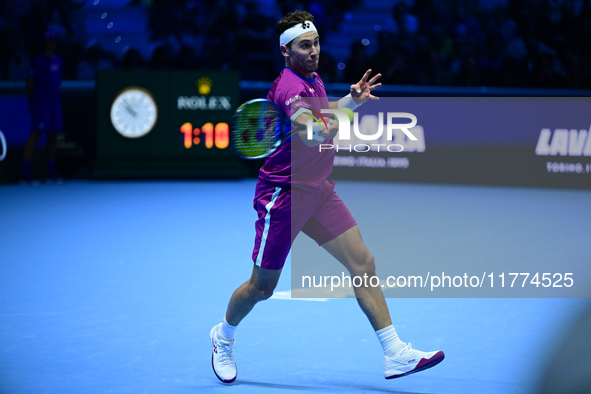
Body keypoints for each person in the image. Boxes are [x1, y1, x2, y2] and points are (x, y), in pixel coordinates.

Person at [210, 10, 444, 384]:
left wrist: (351, 102)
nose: (314, 50)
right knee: (261, 288)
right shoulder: (289, 89)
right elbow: (311, 131)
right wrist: (332, 122)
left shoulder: (313, 79)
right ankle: (223, 336)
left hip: (318, 191)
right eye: (305, 46)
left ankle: (394, 353)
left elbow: (324, 114)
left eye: (316, 42)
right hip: (282, 197)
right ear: (286, 51)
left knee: (363, 264)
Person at [22, 30, 63, 183]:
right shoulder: (38, 60)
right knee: (36, 134)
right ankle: (26, 173)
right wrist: (31, 102)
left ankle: (50, 171)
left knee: (53, 135)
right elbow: (30, 83)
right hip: (41, 100)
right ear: (44, 43)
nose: (51, 43)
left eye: (54, 41)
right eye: (49, 41)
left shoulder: (59, 60)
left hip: (55, 101)